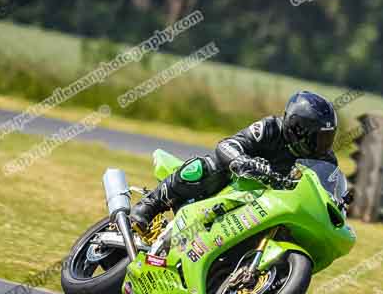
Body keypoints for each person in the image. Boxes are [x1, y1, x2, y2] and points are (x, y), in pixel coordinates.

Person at [130, 90, 338, 232]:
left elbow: (329, 194)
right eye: (317, 138)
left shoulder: (326, 160)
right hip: (235, 184)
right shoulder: (269, 128)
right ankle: (149, 205)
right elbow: (227, 145)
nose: (322, 145)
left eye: (327, 138)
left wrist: (339, 201)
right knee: (206, 167)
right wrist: (242, 161)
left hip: (271, 205)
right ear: (296, 127)